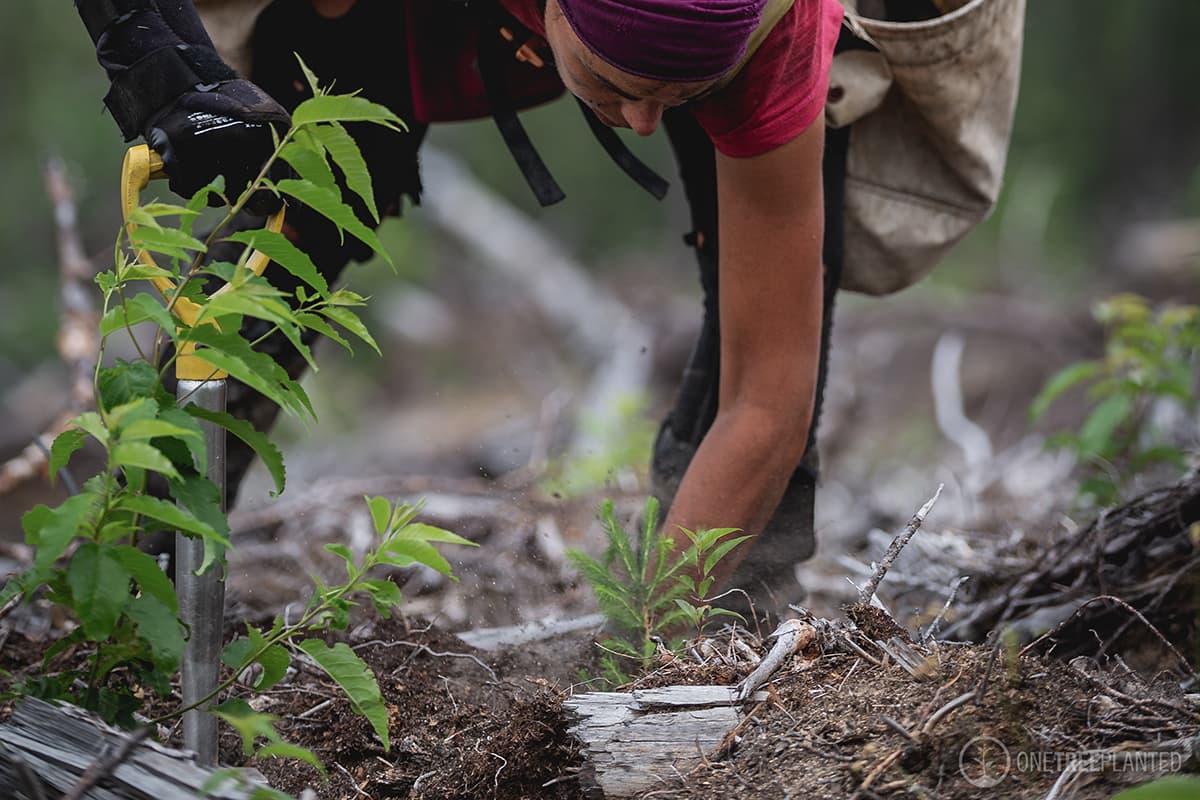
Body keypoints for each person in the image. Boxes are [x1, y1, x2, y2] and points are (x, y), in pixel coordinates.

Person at [75, 0, 855, 616]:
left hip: (728, 53)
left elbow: (766, 396)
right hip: (385, 21)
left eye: (675, 98)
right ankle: (138, 602)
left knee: (760, 320)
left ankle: (724, 638)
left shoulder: (776, 34)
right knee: (283, 243)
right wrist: (163, 66)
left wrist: (648, 642)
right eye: (618, 86)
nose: (645, 122)